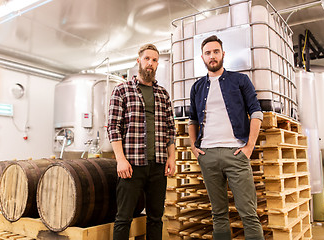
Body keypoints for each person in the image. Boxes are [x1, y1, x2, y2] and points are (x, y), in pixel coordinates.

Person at [188, 35, 264, 240]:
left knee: (248, 214)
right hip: (208, 155)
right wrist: (195, 149)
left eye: (215, 52)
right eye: (207, 53)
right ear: (202, 57)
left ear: (223, 54)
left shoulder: (240, 81)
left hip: (236, 153)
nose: (212, 56)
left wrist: (249, 147)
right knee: (218, 214)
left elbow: (256, 113)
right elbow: (192, 120)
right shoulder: (197, 87)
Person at [107, 43, 176, 240]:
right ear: (139, 61)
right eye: (147, 59)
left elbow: (170, 129)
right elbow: (113, 127)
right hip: (131, 165)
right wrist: (120, 159)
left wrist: (172, 157)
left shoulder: (163, 94)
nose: (150, 63)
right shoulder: (122, 91)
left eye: (154, 60)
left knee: (155, 218)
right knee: (123, 218)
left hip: (158, 166)